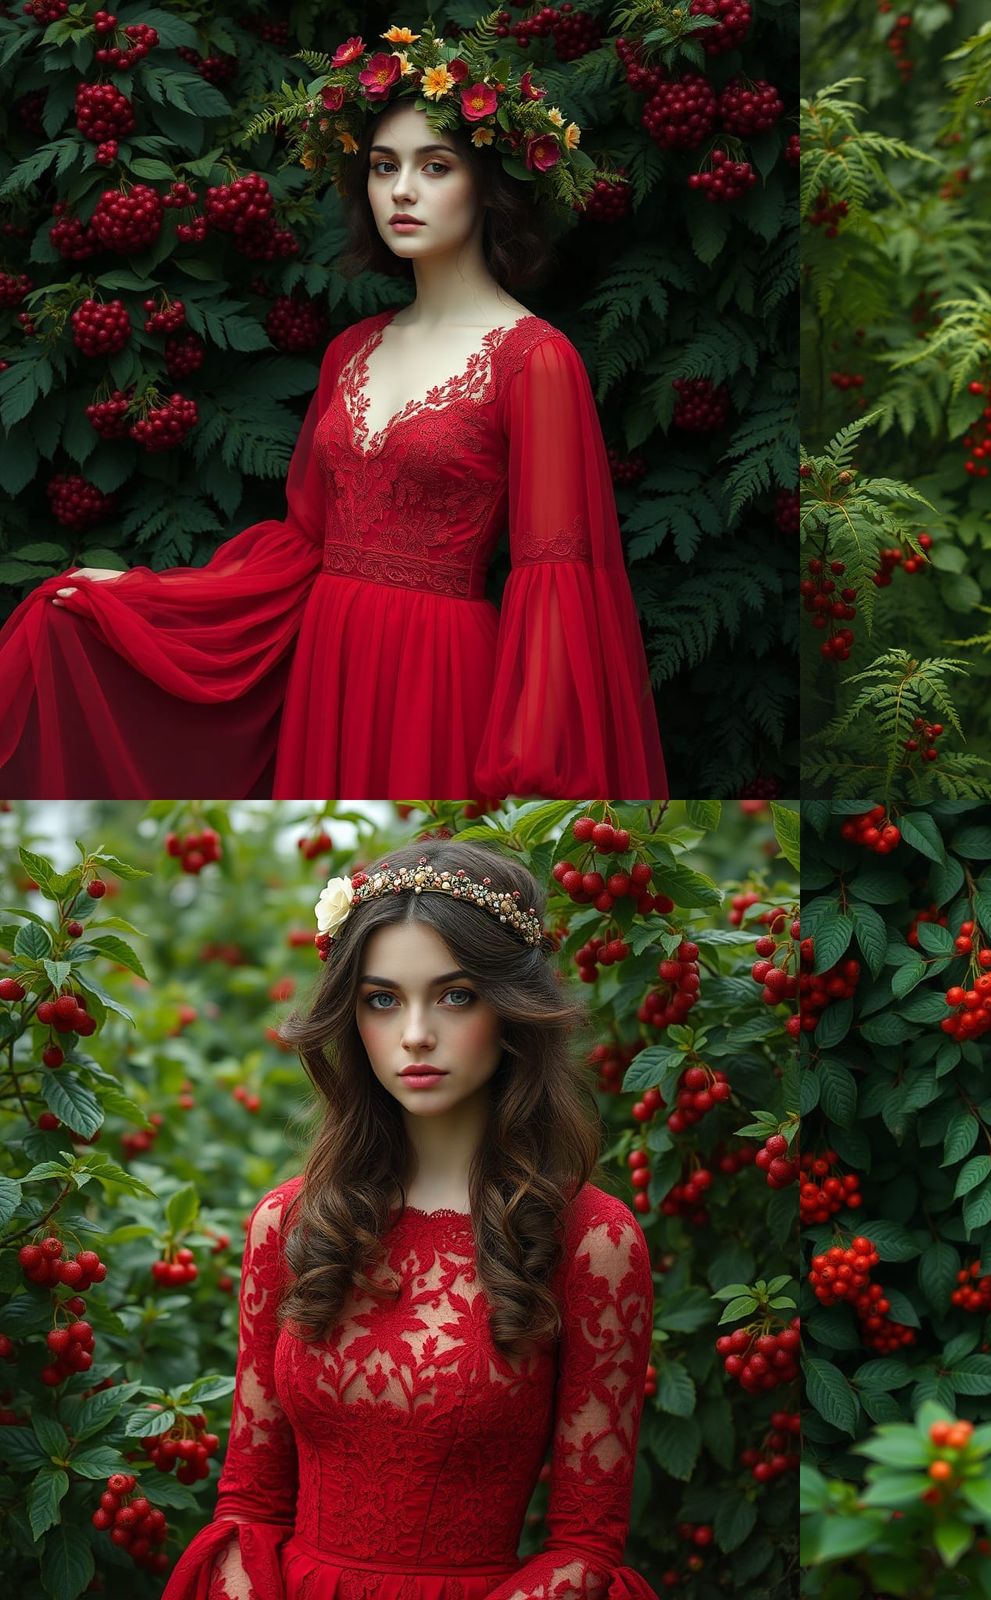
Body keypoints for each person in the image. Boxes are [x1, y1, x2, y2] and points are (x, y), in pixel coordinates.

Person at [0, 25, 667, 800]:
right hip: (329, 661)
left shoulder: (535, 361)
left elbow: (556, 582)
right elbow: (301, 547)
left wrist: (532, 763)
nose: (402, 191)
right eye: (384, 168)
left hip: (442, 679)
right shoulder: (348, 349)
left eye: (435, 166)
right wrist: (139, 598)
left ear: (490, 188)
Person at [160, 840, 657, 1600]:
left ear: (512, 1009)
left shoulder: (593, 1240)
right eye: (382, 998)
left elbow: (586, 1543)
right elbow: (250, 1502)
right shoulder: (289, 1222)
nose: (415, 1034)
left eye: (456, 995)